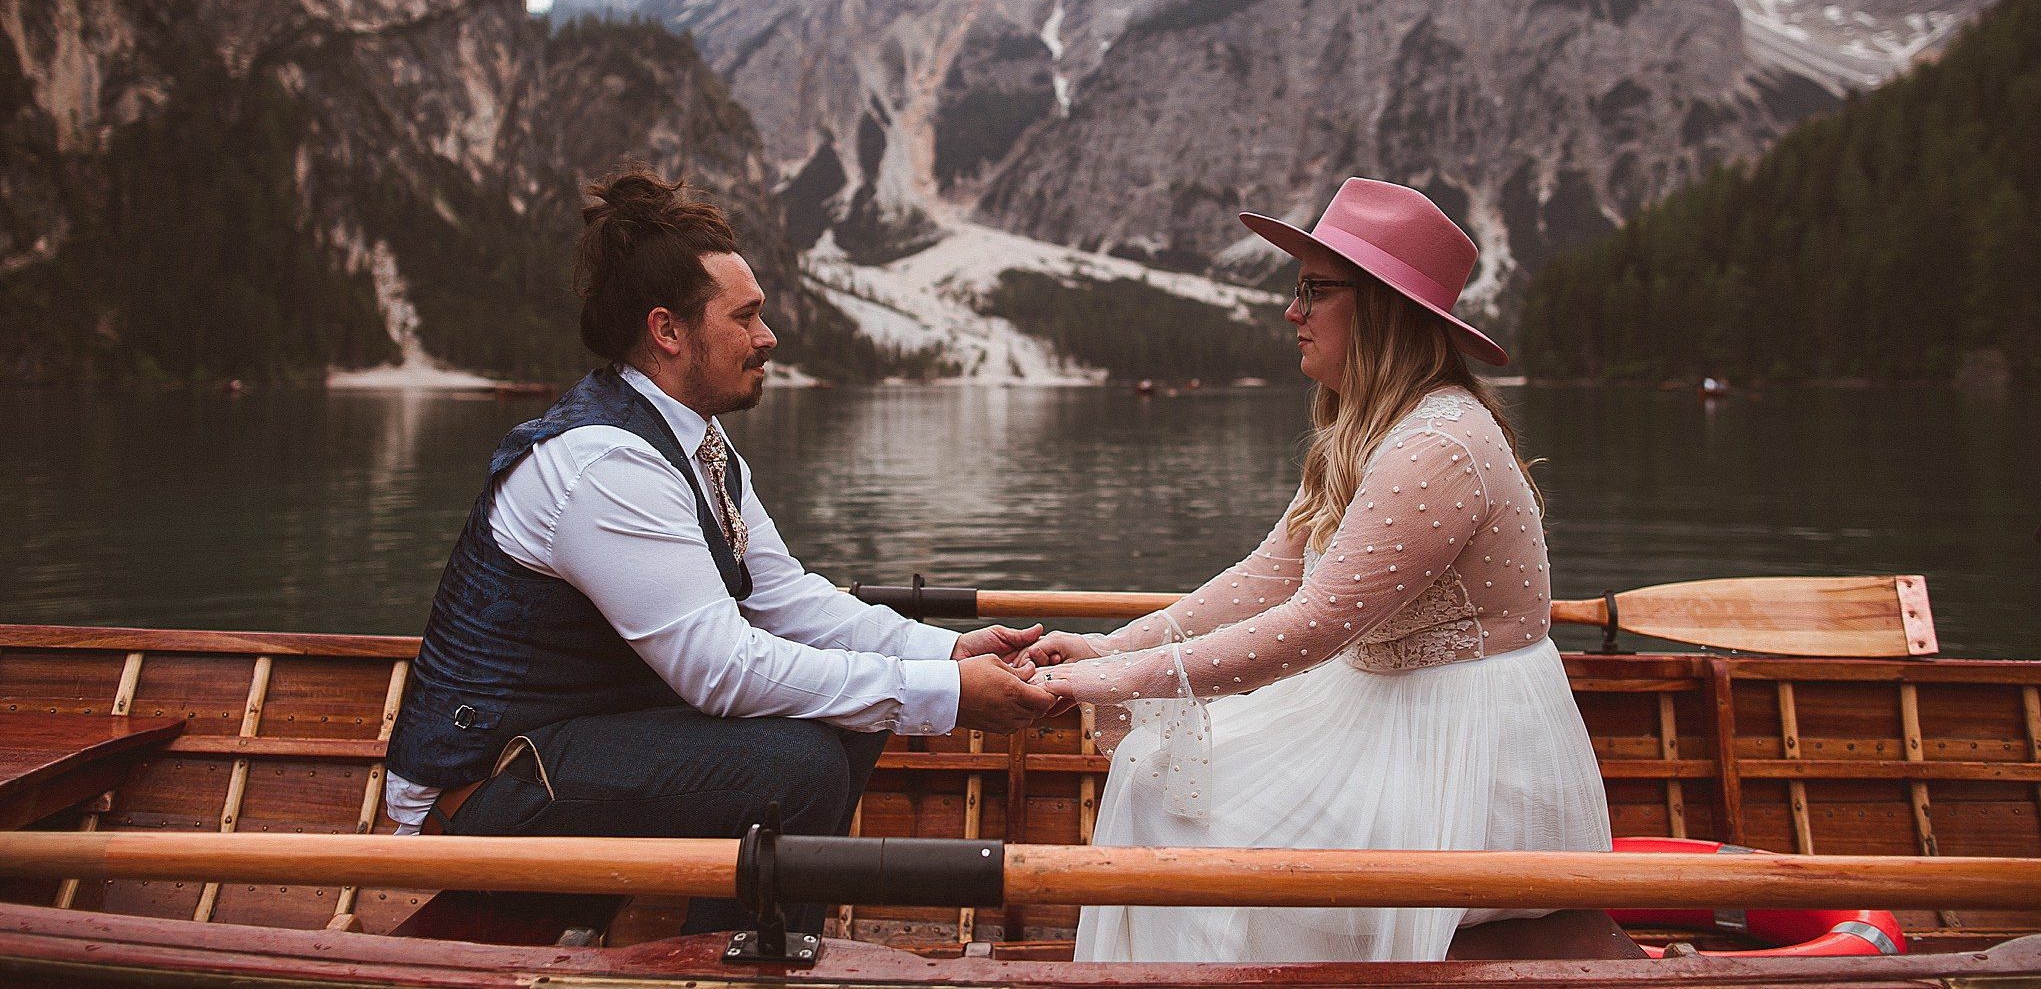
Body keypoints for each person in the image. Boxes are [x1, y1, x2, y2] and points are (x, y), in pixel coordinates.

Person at [383, 166, 1055, 934]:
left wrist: (948, 654)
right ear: (669, 331)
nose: (768, 338)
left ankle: (754, 946)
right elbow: (719, 669)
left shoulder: (697, 442)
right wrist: (949, 696)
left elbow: (785, 598)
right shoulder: (605, 462)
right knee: (791, 765)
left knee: (854, 718)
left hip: (575, 744)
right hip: (490, 784)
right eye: (747, 317)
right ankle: (728, 963)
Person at [1026, 178, 1614, 962]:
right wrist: (1107, 650)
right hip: (1386, 714)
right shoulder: (1364, 429)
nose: (1290, 311)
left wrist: (1114, 681)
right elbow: (1268, 579)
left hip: (1467, 757)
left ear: (1377, 308)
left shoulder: (1436, 445)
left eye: (1313, 290)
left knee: (1188, 820)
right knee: (1154, 779)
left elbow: (1310, 627)